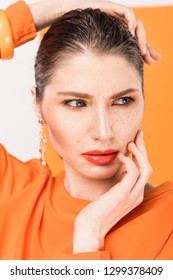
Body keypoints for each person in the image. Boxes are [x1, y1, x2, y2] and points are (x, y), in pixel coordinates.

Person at [0, 0, 172, 260]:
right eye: (76, 103)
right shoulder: (9, 192)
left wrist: (89, 236)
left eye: (123, 101)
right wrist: (54, 9)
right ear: (38, 105)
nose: (104, 132)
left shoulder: (167, 222)